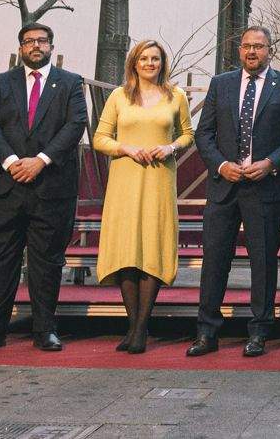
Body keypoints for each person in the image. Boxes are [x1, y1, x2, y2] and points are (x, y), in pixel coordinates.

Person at [188, 26, 280, 358]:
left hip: (264, 186)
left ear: (270, 49)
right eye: (247, 46)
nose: (252, 51)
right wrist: (220, 165)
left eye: (259, 46)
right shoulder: (220, 84)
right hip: (224, 186)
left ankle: (259, 331)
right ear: (239, 50)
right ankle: (206, 331)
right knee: (214, 261)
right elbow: (204, 134)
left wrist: (270, 163)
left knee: (264, 263)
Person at [0, 22, 89, 353]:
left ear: (51, 46)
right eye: (28, 41)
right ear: (21, 48)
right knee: (0, 261)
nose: (35, 46)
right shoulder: (2, 82)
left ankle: (45, 330)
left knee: (47, 262)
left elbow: (75, 125)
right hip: (5, 187)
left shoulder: (69, 83)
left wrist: (40, 160)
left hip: (51, 187)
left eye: (41, 41)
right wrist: (11, 161)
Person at [91, 39, 192, 353]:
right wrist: (127, 148)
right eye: (144, 58)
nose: (150, 63)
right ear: (133, 63)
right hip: (125, 178)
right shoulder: (119, 96)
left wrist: (170, 146)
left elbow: (188, 134)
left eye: (156, 59)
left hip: (159, 177)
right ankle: (134, 326)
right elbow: (99, 138)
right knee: (127, 249)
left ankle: (140, 329)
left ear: (162, 63)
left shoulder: (176, 95)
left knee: (151, 246)